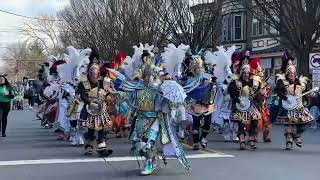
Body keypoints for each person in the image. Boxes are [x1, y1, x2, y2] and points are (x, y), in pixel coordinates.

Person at [78, 48, 114, 156]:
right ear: (89, 74)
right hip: (90, 109)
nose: (94, 76)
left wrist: (108, 96)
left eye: (96, 74)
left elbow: (107, 93)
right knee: (90, 128)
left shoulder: (103, 82)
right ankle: (88, 146)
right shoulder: (83, 83)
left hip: (101, 109)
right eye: (92, 74)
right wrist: (90, 103)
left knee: (102, 128)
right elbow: (83, 96)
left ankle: (102, 147)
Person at [275, 53, 314, 150]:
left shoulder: (301, 82)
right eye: (290, 74)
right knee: (289, 124)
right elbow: (278, 92)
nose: (292, 75)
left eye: (293, 74)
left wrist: (310, 94)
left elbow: (306, 92)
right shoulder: (282, 81)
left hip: (299, 107)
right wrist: (286, 98)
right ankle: (289, 142)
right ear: (287, 73)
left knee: (307, 122)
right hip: (287, 107)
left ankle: (296, 135)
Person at [228, 59, 263, 150]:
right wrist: (239, 101)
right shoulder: (235, 82)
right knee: (241, 124)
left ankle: (251, 139)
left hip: (251, 106)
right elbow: (232, 95)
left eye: (247, 73)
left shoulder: (255, 82)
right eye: (244, 73)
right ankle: (242, 141)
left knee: (255, 121)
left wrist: (261, 93)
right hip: (240, 106)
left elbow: (258, 95)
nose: (246, 74)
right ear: (241, 73)